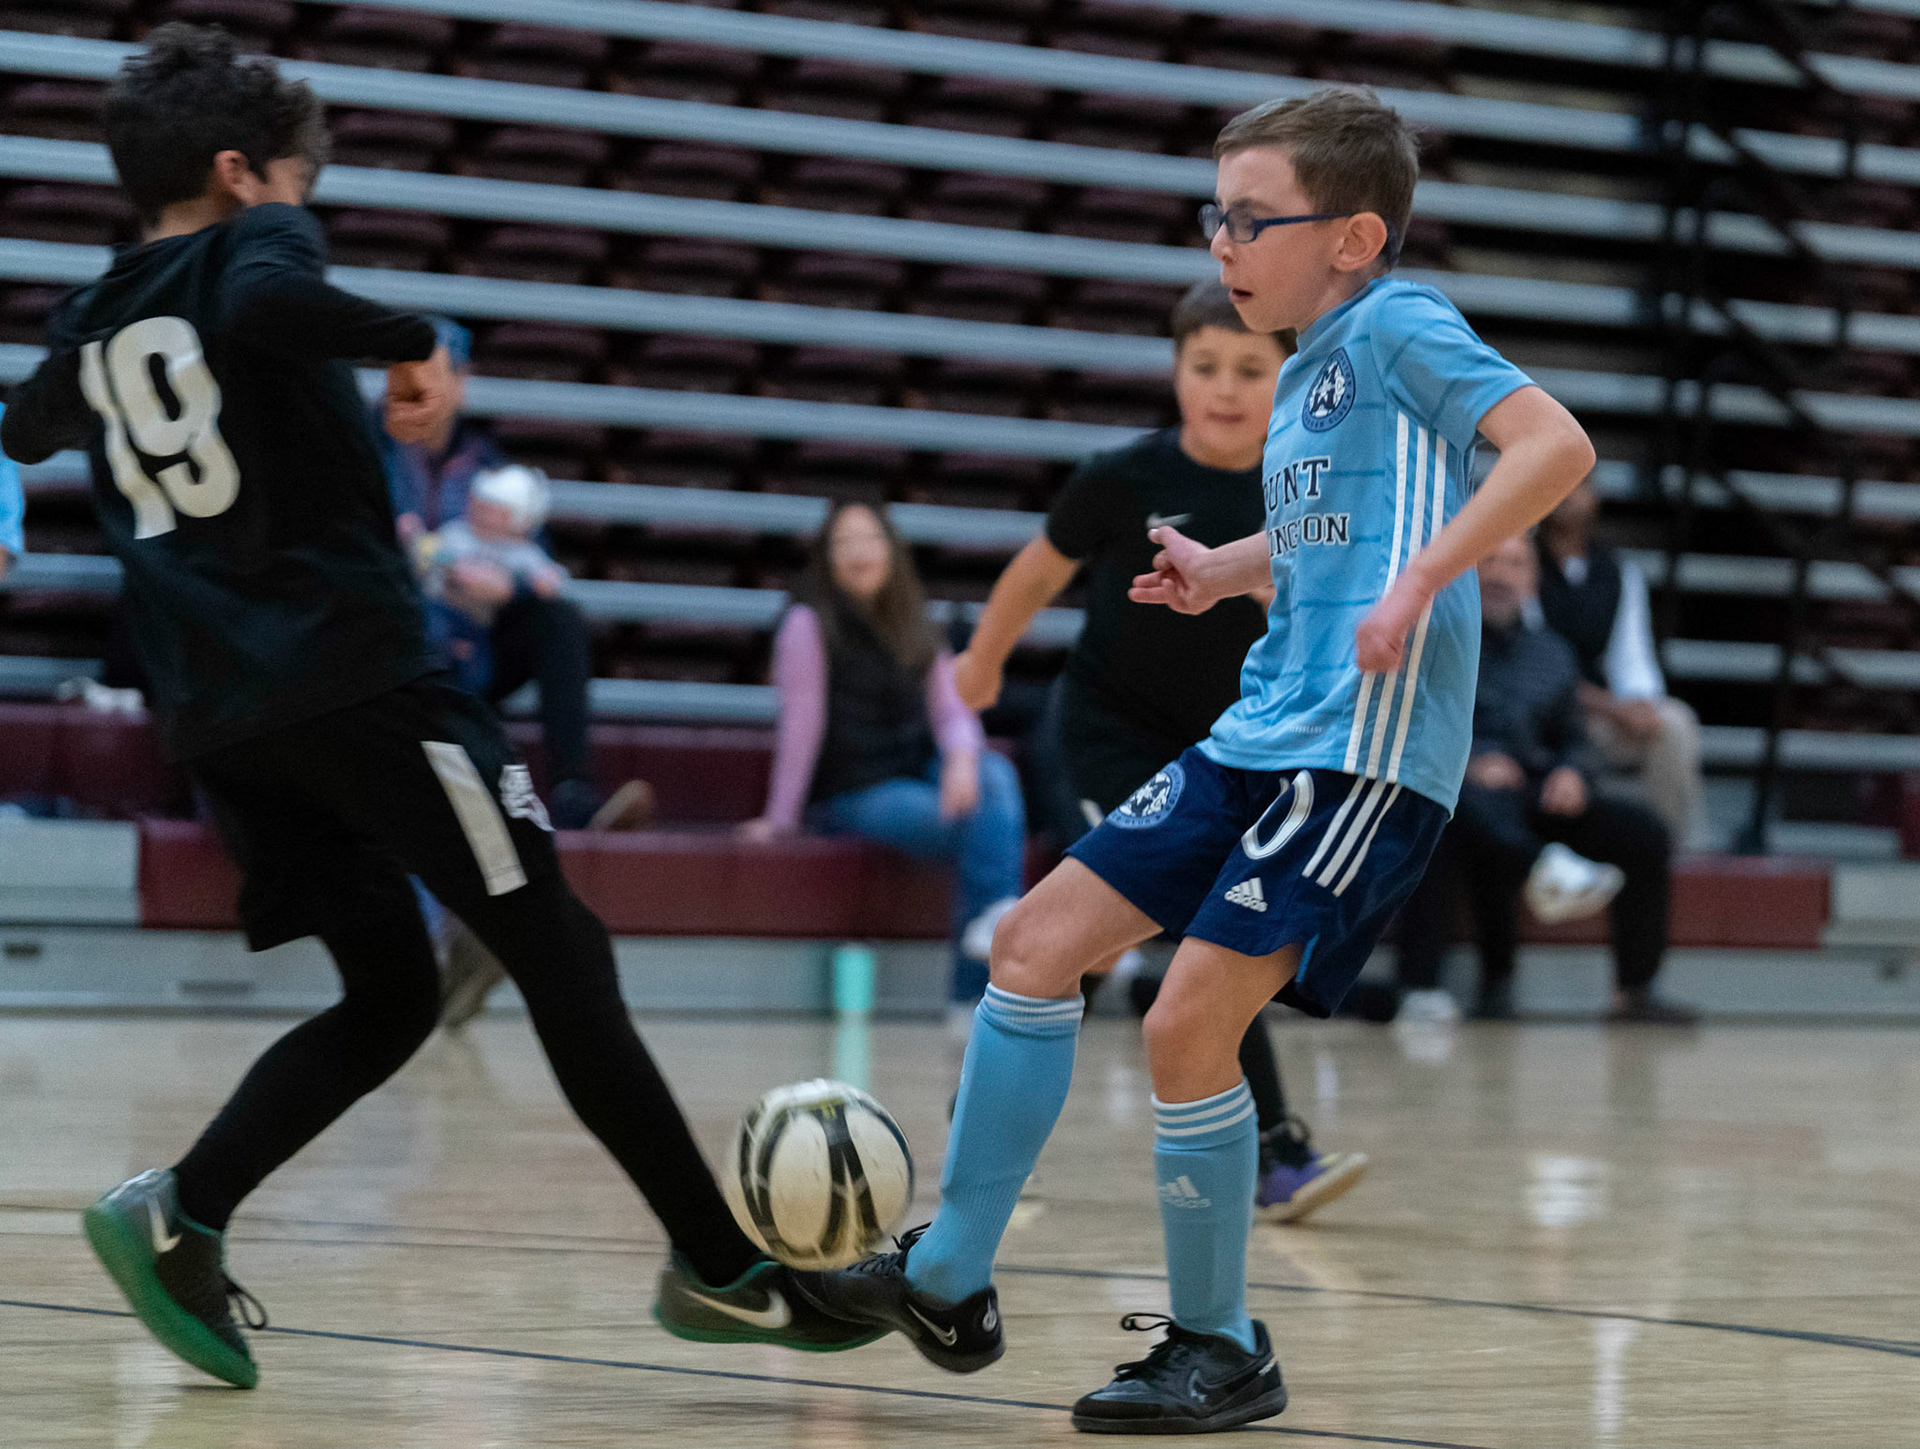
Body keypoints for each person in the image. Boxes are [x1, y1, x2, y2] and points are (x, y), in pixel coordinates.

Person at [0, 26, 871, 1390]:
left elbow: (29, 426)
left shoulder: (92, 309)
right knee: (562, 951)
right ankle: (722, 1268)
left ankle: (182, 1212)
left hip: (227, 725)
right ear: (240, 173)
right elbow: (273, 307)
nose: (305, 208)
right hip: (361, 685)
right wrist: (417, 340)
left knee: (393, 989)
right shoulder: (254, 247)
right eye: (296, 181)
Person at [790, 86, 1595, 1434]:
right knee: (1037, 944)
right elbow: (1337, 531)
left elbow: (1551, 446)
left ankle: (1221, 1346)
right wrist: (1229, 570)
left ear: (1352, 235)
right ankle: (944, 1277)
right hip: (1259, 730)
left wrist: (1423, 586)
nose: (1221, 242)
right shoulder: (1306, 371)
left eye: (1249, 217)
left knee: (1185, 1022)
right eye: (1213, 215)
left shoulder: (1398, 323)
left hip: (1360, 753)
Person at [953, 279, 1365, 1224]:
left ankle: (988, 1116)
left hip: (1234, 749)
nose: (1224, 387)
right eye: (1204, 366)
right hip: (1108, 735)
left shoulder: (1303, 486)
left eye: (1249, 369)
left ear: (1288, 377)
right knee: (1166, 931)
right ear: (1176, 371)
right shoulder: (1121, 478)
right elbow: (1037, 569)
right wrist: (980, 660)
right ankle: (1275, 1150)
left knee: (1157, 941)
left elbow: (1330, 620)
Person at [1394, 535, 1695, 1025]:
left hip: (1535, 794)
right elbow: (1409, 726)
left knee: (1644, 833)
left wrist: (1574, 773)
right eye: (1487, 559)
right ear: (1466, 573)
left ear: (1532, 582)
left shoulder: (1554, 654)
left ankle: (1635, 991)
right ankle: (1423, 984)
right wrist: (1467, 763)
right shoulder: (1436, 643)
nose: (1499, 574)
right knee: (1452, 810)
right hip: (1459, 790)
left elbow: (1577, 738)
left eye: (1514, 564)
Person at [742, 500, 1025, 1011]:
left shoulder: (914, 620)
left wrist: (961, 760)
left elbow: (953, 713)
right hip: (853, 791)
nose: (858, 552)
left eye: (869, 539)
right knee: (977, 819)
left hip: (914, 770)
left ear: (890, 550)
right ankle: (979, 995)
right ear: (826, 557)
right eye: (843, 542)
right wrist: (780, 820)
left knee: (992, 772)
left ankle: (990, 938)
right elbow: (801, 727)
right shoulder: (807, 624)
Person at [379, 318, 604, 829]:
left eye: (437, 374)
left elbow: (531, 557)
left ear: (461, 382)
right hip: (395, 644)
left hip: (474, 640)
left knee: (560, 619)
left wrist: (510, 585)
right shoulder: (371, 451)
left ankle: (572, 789)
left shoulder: (488, 460)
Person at [1535, 474, 1704, 846]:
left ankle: (1665, 848)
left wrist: (1640, 704)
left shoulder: (1617, 570)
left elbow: (1631, 656)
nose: (1565, 494)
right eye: (1557, 481)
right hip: (1537, 714)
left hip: (1594, 715)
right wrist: (1612, 707)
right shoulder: (1520, 561)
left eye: (1577, 485)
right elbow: (1531, 666)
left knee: (1672, 725)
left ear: (1594, 497)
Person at [413, 462, 569, 698]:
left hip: (483, 632)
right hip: (442, 616)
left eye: (491, 508)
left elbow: (549, 583)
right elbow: (431, 555)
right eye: (478, 503)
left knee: (476, 673)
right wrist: (418, 543)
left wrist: (516, 584)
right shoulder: (456, 534)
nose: (478, 510)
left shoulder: (524, 553)